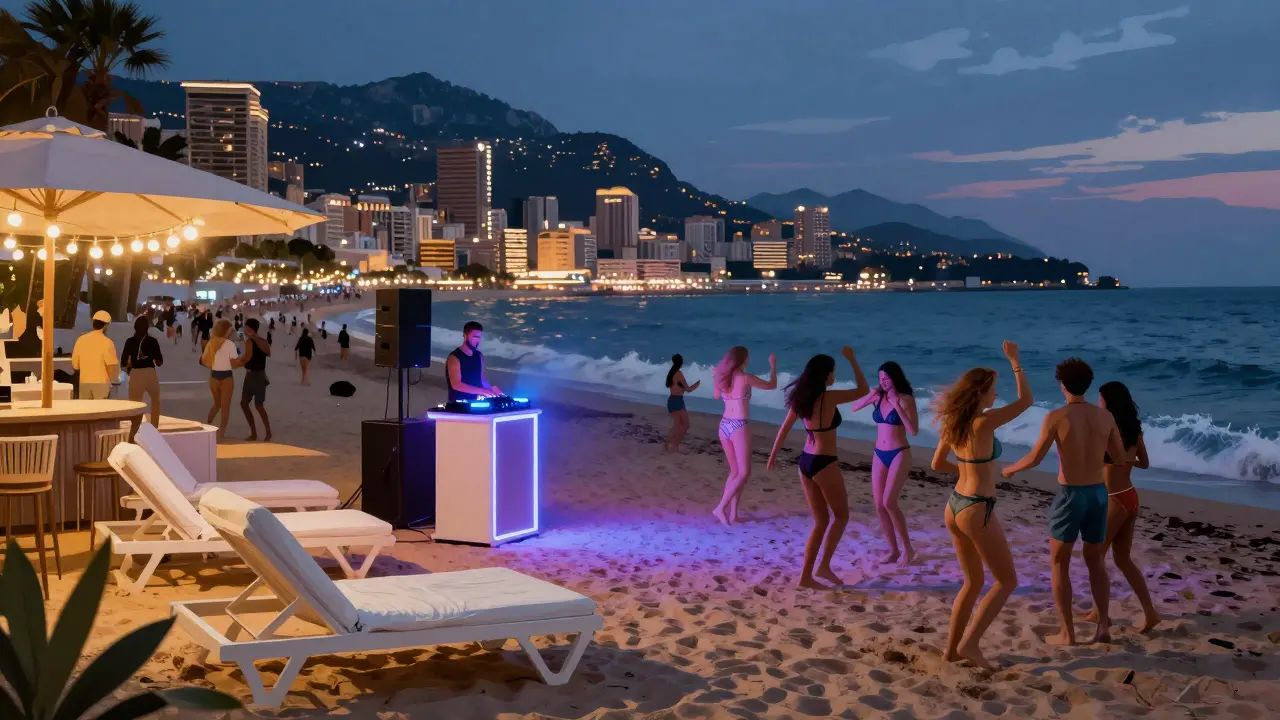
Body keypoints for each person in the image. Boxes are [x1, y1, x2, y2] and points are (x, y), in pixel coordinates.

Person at [1003, 358, 1127, 646]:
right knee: (1096, 561)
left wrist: (1011, 469)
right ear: (1088, 384)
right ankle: (1103, 627)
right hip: (1098, 493)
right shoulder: (1105, 417)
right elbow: (1119, 459)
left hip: (1071, 494)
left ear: (1062, 384)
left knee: (1059, 562)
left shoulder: (1056, 417)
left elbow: (1035, 458)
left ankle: (1067, 633)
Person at [931, 341, 1032, 670]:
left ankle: (951, 651)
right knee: (1006, 581)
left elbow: (937, 464)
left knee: (972, 582)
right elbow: (1026, 402)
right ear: (980, 393)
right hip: (977, 508)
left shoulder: (954, 423)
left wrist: (967, 471)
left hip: (954, 506)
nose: (995, 396)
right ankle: (971, 644)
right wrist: (1015, 361)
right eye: (992, 390)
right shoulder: (982, 422)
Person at [767, 347, 869, 588]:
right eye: (833, 371)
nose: (834, 376)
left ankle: (806, 577)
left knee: (821, 521)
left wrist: (772, 455)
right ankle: (823, 566)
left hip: (805, 462)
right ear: (826, 374)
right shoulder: (828, 398)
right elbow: (863, 390)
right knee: (841, 516)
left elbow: (784, 428)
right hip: (824, 462)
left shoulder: (801, 399)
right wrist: (853, 360)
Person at [1085, 381, 1160, 633]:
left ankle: (1101, 614)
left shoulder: (1107, 428)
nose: (1098, 402)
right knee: (1122, 558)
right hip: (1130, 496)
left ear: (1109, 401)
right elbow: (1145, 463)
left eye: (1100, 398)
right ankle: (1150, 613)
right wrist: (1128, 460)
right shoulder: (1134, 429)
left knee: (1095, 557)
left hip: (1114, 499)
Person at [848, 361, 920, 565]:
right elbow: (854, 407)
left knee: (889, 502)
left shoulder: (906, 399)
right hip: (879, 453)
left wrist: (897, 406)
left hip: (899, 453)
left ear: (895, 378)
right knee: (879, 505)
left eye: (887, 378)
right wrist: (871, 395)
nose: (884, 382)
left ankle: (908, 548)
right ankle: (894, 550)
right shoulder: (878, 397)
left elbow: (913, 431)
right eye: (881, 379)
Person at [711, 346, 777, 527]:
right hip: (739, 426)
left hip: (724, 425)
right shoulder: (746, 378)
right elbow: (772, 385)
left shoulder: (723, 378)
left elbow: (716, 396)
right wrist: (773, 366)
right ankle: (721, 507)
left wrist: (715, 378)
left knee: (735, 472)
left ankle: (734, 514)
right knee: (744, 473)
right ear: (744, 360)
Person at [120, 315, 163, 428]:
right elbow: (159, 361)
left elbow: (123, 361)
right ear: (147, 328)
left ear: (135, 327)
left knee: (134, 404)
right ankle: (154, 426)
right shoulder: (153, 341)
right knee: (155, 400)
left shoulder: (130, 341)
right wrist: (151, 360)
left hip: (136, 373)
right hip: (150, 373)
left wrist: (130, 365)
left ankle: (135, 427)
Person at [236, 318, 273, 442]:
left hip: (252, 375)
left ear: (249, 328)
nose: (244, 329)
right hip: (261, 375)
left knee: (245, 403)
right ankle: (267, 432)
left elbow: (247, 358)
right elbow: (268, 353)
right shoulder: (263, 341)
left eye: (245, 327)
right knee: (259, 405)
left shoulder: (250, 341)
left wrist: (235, 362)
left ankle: (254, 433)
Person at [201, 319, 238, 443]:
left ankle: (208, 425)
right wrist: (243, 361)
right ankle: (221, 433)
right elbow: (234, 363)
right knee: (225, 406)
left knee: (217, 403)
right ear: (227, 330)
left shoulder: (211, 342)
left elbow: (205, 359)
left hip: (213, 376)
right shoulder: (230, 344)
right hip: (226, 376)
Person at [446, 321, 502, 401]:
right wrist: (482, 391)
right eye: (475, 337)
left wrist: (492, 389)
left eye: (479, 337)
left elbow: (482, 380)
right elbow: (456, 385)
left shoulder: (479, 356)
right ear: (465, 336)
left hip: (475, 401)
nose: (478, 341)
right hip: (458, 402)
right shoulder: (454, 357)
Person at [72, 310, 119, 399]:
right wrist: (110, 381)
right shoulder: (107, 342)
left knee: (86, 408)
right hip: (102, 384)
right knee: (101, 408)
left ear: (93, 323)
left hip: (84, 383)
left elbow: (75, 365)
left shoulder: (81, 340)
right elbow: (111, 366)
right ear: (106, 326)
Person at [664, 354, 700, 453]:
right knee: (685, 425)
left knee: (677, 424)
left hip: (671, 400)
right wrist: (697, 384)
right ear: (680, 362)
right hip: (677, 401)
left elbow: (678, 388)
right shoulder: (678, 373)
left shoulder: (671, 373)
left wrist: (683, 389)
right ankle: (674, 444)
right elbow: (688, 389)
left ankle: (669, 444)